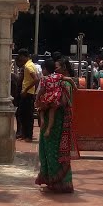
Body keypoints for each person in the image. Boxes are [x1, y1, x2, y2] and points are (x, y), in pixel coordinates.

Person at [35, 57, 78, 193]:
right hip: (50, 120)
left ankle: (60, 182)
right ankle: (51, 180)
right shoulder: (54, 80)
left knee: (56, 152)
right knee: (47, 151)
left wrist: (46, 103)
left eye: (58, 66)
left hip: (59, 124)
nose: (56, 68)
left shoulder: (65, 83)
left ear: (64, 67)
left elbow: (63, 102)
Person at [16, 49, 38, 141]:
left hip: (28, 94)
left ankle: (28, 136)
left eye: (20, 56)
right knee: (22, 114)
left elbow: (36, 79)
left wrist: (26, 90)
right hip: (28, 93)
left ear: (24, 56)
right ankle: (25, 134)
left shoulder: (28, 66)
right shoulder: (29, 65)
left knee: (27, 115)